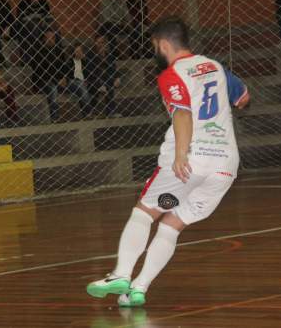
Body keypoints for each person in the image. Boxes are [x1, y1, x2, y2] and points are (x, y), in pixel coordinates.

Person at [85, 16, 249, 307]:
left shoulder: (172, 74)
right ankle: (138, 289)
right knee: (172, 224)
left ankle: (121, 274)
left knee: (145, 212)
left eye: (154, 47)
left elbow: (183, 113)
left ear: (163, 44)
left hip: (191, 162)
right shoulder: (215, 66)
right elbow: (244, 98)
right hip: (224, 166)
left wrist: (181, 153)